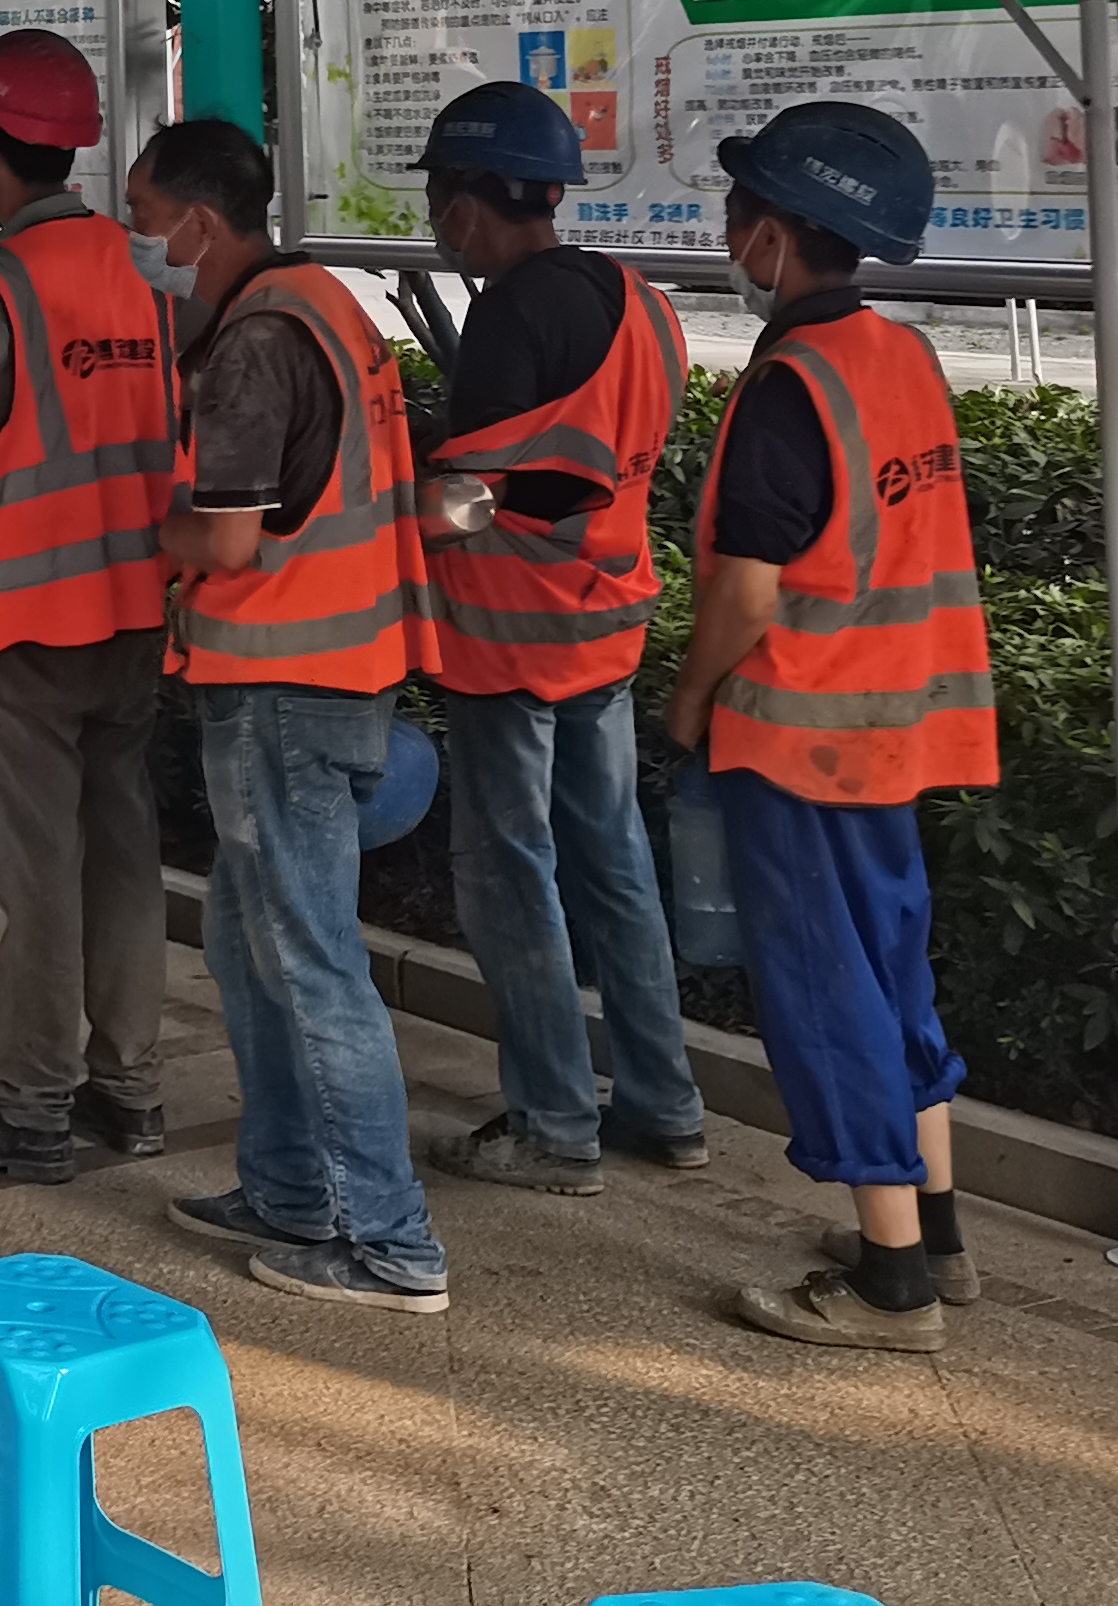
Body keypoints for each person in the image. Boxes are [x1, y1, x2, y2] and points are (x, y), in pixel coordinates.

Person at [665, 100, 999, 1354]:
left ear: (777, 232)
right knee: (893, 972)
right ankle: (937, 1233)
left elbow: (749, 591)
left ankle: (892, 1284)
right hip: (897, 728)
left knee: (828, 992)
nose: (727, 233)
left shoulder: (790, 385)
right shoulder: (900, 358)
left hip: (798, 737)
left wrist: (689, 698)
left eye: (738, 210)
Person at [138, 113, 452, 1316]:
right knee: (245, 943)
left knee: (314, 962)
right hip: (336, 667)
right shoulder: (327, 305)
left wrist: (136, 532)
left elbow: (225, 539)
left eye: (144, 222)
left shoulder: (256, 341)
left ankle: (391, 1240)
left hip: (282, 682)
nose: (140, 245)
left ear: (196, 224)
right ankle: (287, 1191)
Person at [407, 78, 710, 1196]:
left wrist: (392, 500)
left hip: (510, 637)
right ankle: (664, 1105)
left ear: (465, 203)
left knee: (510, 871)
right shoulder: (637, 299)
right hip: (607, 622)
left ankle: (552, 1124)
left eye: (439, 204)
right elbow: (579, 462)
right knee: (615, 861)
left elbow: (474, 496)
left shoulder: (509, 315)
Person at [0, 30, 177, 1183]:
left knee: (40, 870)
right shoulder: (141, 265)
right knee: (123, 854)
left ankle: (34, 1106)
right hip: (136, 603)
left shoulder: (0, 282)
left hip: (25, 618)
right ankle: (132, 1088)